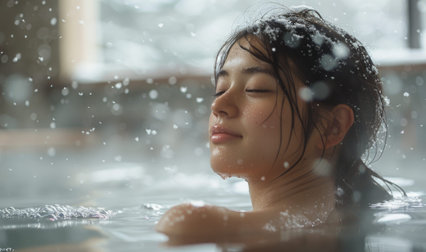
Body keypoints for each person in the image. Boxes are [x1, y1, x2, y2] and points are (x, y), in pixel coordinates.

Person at [155, 7, 403, 245]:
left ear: (332, 127)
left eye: (256, 89)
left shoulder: (194, 226)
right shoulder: (351, 220)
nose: (219, 105)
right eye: (219, 89)